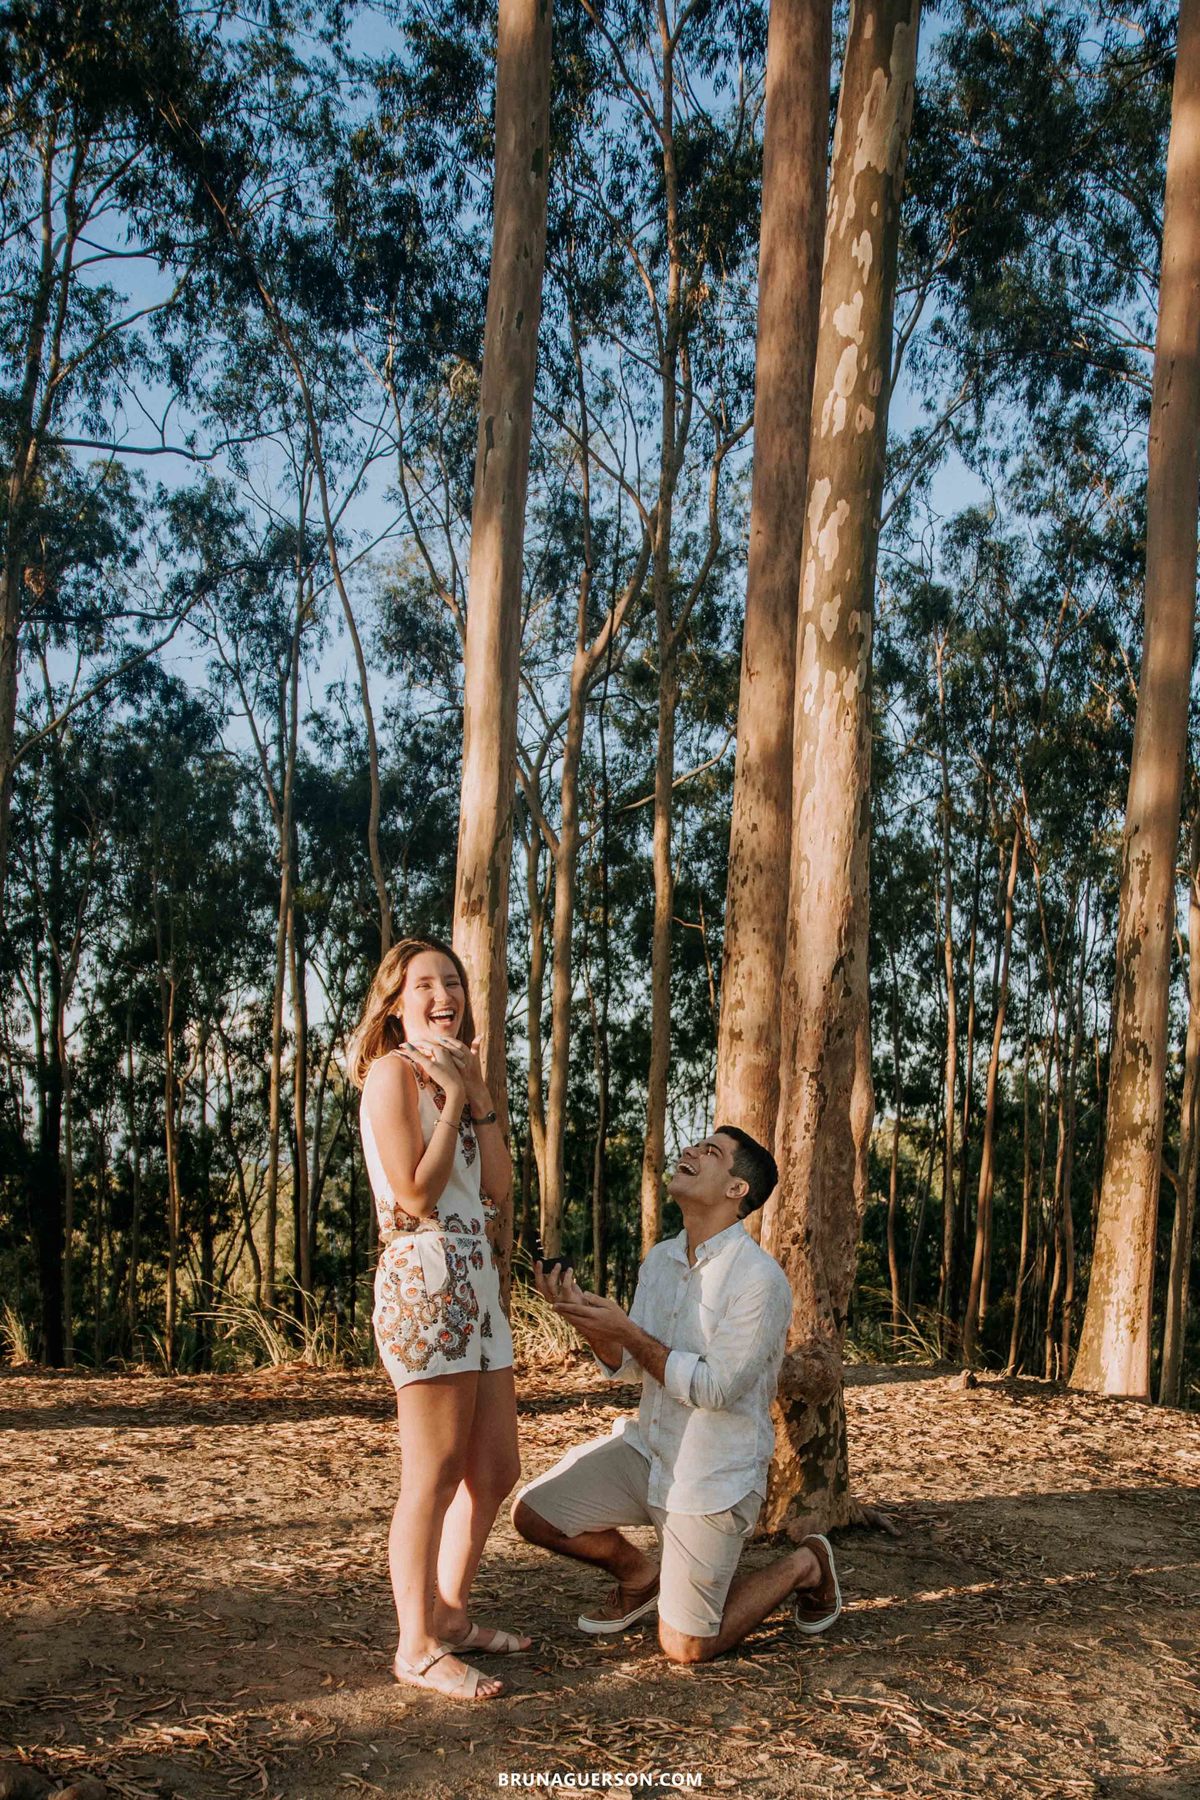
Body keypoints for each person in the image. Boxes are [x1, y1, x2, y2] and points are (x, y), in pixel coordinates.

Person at [511, 1125, 841, 1664]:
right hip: (651, 1451)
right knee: (534, 1513)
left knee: (687, 1646)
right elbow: (630, 1368)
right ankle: (642, 1575)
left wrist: (629, 1333)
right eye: (695, 1145)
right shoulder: (661, 1259)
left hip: (712, 1477)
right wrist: (580, 1315)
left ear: (738, 1191)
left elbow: (713, 1389)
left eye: (710, 1152)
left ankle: (807, 1564)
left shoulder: (760, 1280)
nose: (689, 1151)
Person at [349, 936, 528, 1702]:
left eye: (451, 981)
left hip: (478, 1280)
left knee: (494, 1469)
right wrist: (453, 1102)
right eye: (423, 984)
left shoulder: (460, 1077)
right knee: (434, 1470)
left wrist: (479, 1096)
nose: (441, 993)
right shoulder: (392, 1076)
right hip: (423, 1275)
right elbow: (417, 1195)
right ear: (395, 1005)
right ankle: (415, 1646)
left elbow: (496, 1190)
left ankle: (451, 1616)